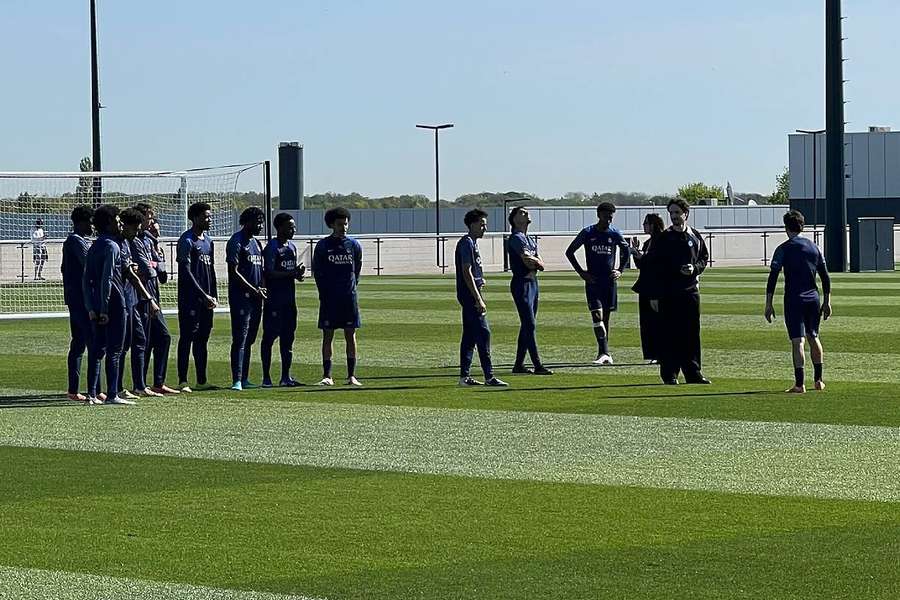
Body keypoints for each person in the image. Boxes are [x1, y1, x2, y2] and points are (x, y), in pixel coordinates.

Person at [644, 198, 710, 385]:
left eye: (677, 213)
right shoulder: (664, 238)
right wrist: (654, 295)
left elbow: (704, 258)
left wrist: (694, 269)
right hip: (668, 293)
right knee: (669, 334)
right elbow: (654, 268)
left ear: (685, 214)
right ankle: (669, 373)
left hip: (690, 293)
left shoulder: (695, 235)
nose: (674, 217)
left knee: (691, 333)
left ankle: (693, 372)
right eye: (671, 213)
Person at [764, 210, 832, 393]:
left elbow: (773, 277)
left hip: (794, 299)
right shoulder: (814, 247)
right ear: (803, 226)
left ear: (786, 227)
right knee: (814, 336)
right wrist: (827, 301)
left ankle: (799, 384)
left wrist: (768, 303)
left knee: (797, 341)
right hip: (813, 298)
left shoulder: (783, 248)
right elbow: (825, 277)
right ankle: (818, 380)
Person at [565, 202, 628, 365]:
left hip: (609, 282)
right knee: (597, 315)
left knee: (605, 317)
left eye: (611, 217)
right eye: (606, 216)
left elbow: (626, 251)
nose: (609, 220)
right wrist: (582, 272)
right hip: (593, 281)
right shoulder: (588, 232)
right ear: (598, 215)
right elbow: (570, 252)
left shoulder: (615, 233)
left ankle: (604, 352)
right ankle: (604, 352)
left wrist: (620, 269)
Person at [82, 205, 131, 405]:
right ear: (110, 223)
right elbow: (107, 278)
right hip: (115, 302)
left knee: (96, 350)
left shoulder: (94, 246)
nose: (120, 224)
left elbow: (86, 279)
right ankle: (112, 394)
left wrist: (91, 307)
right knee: (115, 350)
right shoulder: (112, 246)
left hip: (96, 303)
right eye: (118, 221)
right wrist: (104, 308)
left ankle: (92, 394)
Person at [456, 208, 508, 387]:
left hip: (471, 292)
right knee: (483, 333)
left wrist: (480, 279)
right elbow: (466, 270)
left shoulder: (472, 243)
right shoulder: (467, 243)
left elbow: (472, 271)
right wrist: (478, 298)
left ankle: (464, 377)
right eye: (482, 224)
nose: (485, 228)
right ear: (472, 224)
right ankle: (489, 376)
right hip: (470, 296)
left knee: (469, 336)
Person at [312, 207, 363, 386]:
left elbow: (356, 270)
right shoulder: (323, 246)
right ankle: (327, 375)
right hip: (329, 299)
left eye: (346, 224)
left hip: (349, 298)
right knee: (328, 336)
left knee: (351, 335)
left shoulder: (354, 245)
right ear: (331, 225)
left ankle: (351, 376)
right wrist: (324, 292)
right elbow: (317, 272)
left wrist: (351, 288)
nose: (344, 227)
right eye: (340, 224)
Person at [135, 203, 179, 394]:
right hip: (141, 297)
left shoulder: (149, 241)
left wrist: (158, 260)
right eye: (150, 218)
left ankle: (157, 383)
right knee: (145, 340)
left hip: (154, 295)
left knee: (161, 338)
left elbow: (161, 275)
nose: (152, 222)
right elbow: (146, 269)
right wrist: (155, 264)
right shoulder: (133, 241)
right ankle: (140, 385)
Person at [176, 201, 218, 393]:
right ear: (194, 218)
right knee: (187, 338)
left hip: (206, 301)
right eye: (206, 216)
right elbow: (186, 272)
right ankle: (183, 380)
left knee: (203, 339)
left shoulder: (208, 241)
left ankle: (202, 380)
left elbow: (211, 270)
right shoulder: (187, 241)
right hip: (190, 299)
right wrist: (202, 295)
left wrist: (213, 295)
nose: (209, 219)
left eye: (210, 216)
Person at [121, 208, 163, 399]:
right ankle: (114, 388)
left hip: (136, 297)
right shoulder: (120, 244)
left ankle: (139, 385)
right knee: (120, 346)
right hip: (127, 299)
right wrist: (149, 299)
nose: (139, 231)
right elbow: (138, 272)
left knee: (140, 340)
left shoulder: (140, 241)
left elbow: (153, 269)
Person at [506, 207, 552, 375]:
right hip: (522, 283)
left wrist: (537, 262)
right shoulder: (517, 238)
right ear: (514, 220)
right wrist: (536, 262)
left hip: (533, 283)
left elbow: (540, 262)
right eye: (521, 212)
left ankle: (518, 365)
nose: (526, 213)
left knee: (527, 325)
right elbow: (527, 261)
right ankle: (538, 365)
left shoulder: (529, 239)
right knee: (529, 324)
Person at [261, 212, 305, 387]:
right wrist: (291, 273)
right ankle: (266, 377)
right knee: (269, 338)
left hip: (289, 301)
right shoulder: (272, 248)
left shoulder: (292, 248)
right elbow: (269, 272)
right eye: (290, 227)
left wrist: (297, 274)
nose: (293, 229)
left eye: (293, 226)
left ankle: (286, 377)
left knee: (288, 338)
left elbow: (289, 272)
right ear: (279, 228)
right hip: (274, 301)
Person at [226, 207, 267, 391]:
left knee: (250, 339)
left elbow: (261, 270)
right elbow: (233, 272)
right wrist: (253, 290)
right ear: (248, 221)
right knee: (240, 338)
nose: (260, 225)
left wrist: (262, 288)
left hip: (257, 299)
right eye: (258, 222)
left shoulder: (257, 244)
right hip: (241, 298)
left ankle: (245, 378)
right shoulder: (236, 241)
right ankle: (236, 379)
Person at [61, 206, 94, 401]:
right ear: (81, 222)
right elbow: (88, 264)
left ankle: (76, 390)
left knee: (81, 342)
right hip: (80, 300)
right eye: (90, 221)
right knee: (86, 341)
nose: (93, 226)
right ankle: (86, 389)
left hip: (78, 298)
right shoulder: (75, 241)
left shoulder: (81, 241)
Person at [629, 213, 666, 364]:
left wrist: (641, 256)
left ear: (654, 224)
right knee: (647, 323)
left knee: (657, 322)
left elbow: (656, 265)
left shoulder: (662, 242)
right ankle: (653, 353)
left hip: (656, 288)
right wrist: (636, 255)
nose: (644, 226)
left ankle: (661, 353)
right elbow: (642, 266)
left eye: (646, 223)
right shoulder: (647, 243)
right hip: (645, 287)